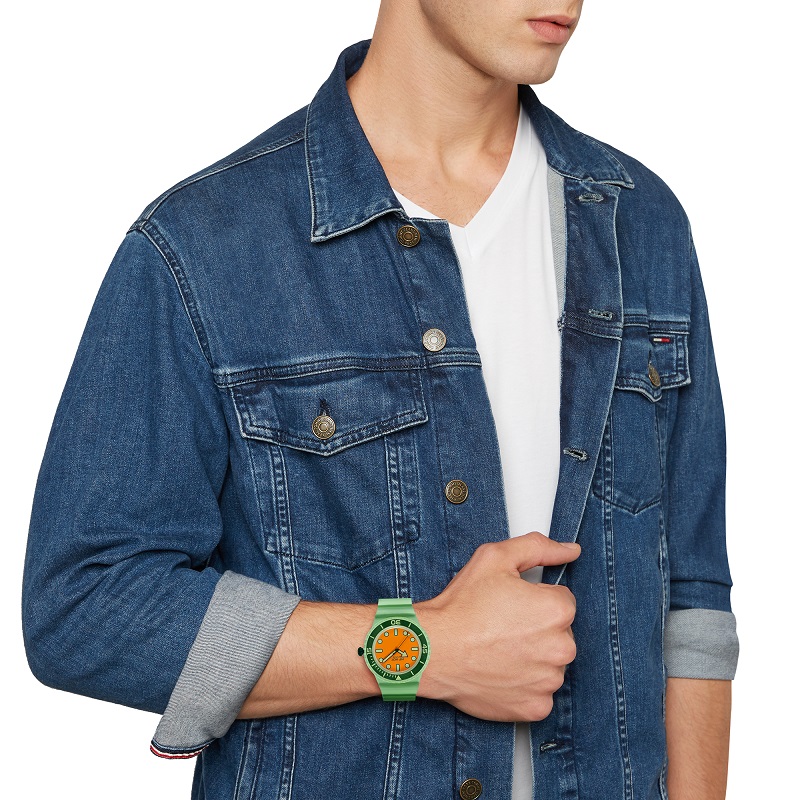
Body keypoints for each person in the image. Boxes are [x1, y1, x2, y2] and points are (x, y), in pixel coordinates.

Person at [22, 2, 738, 798]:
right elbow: (86, 606)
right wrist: (421, 648)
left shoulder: (641, 222)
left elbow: (692, 604)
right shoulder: (206, 246)